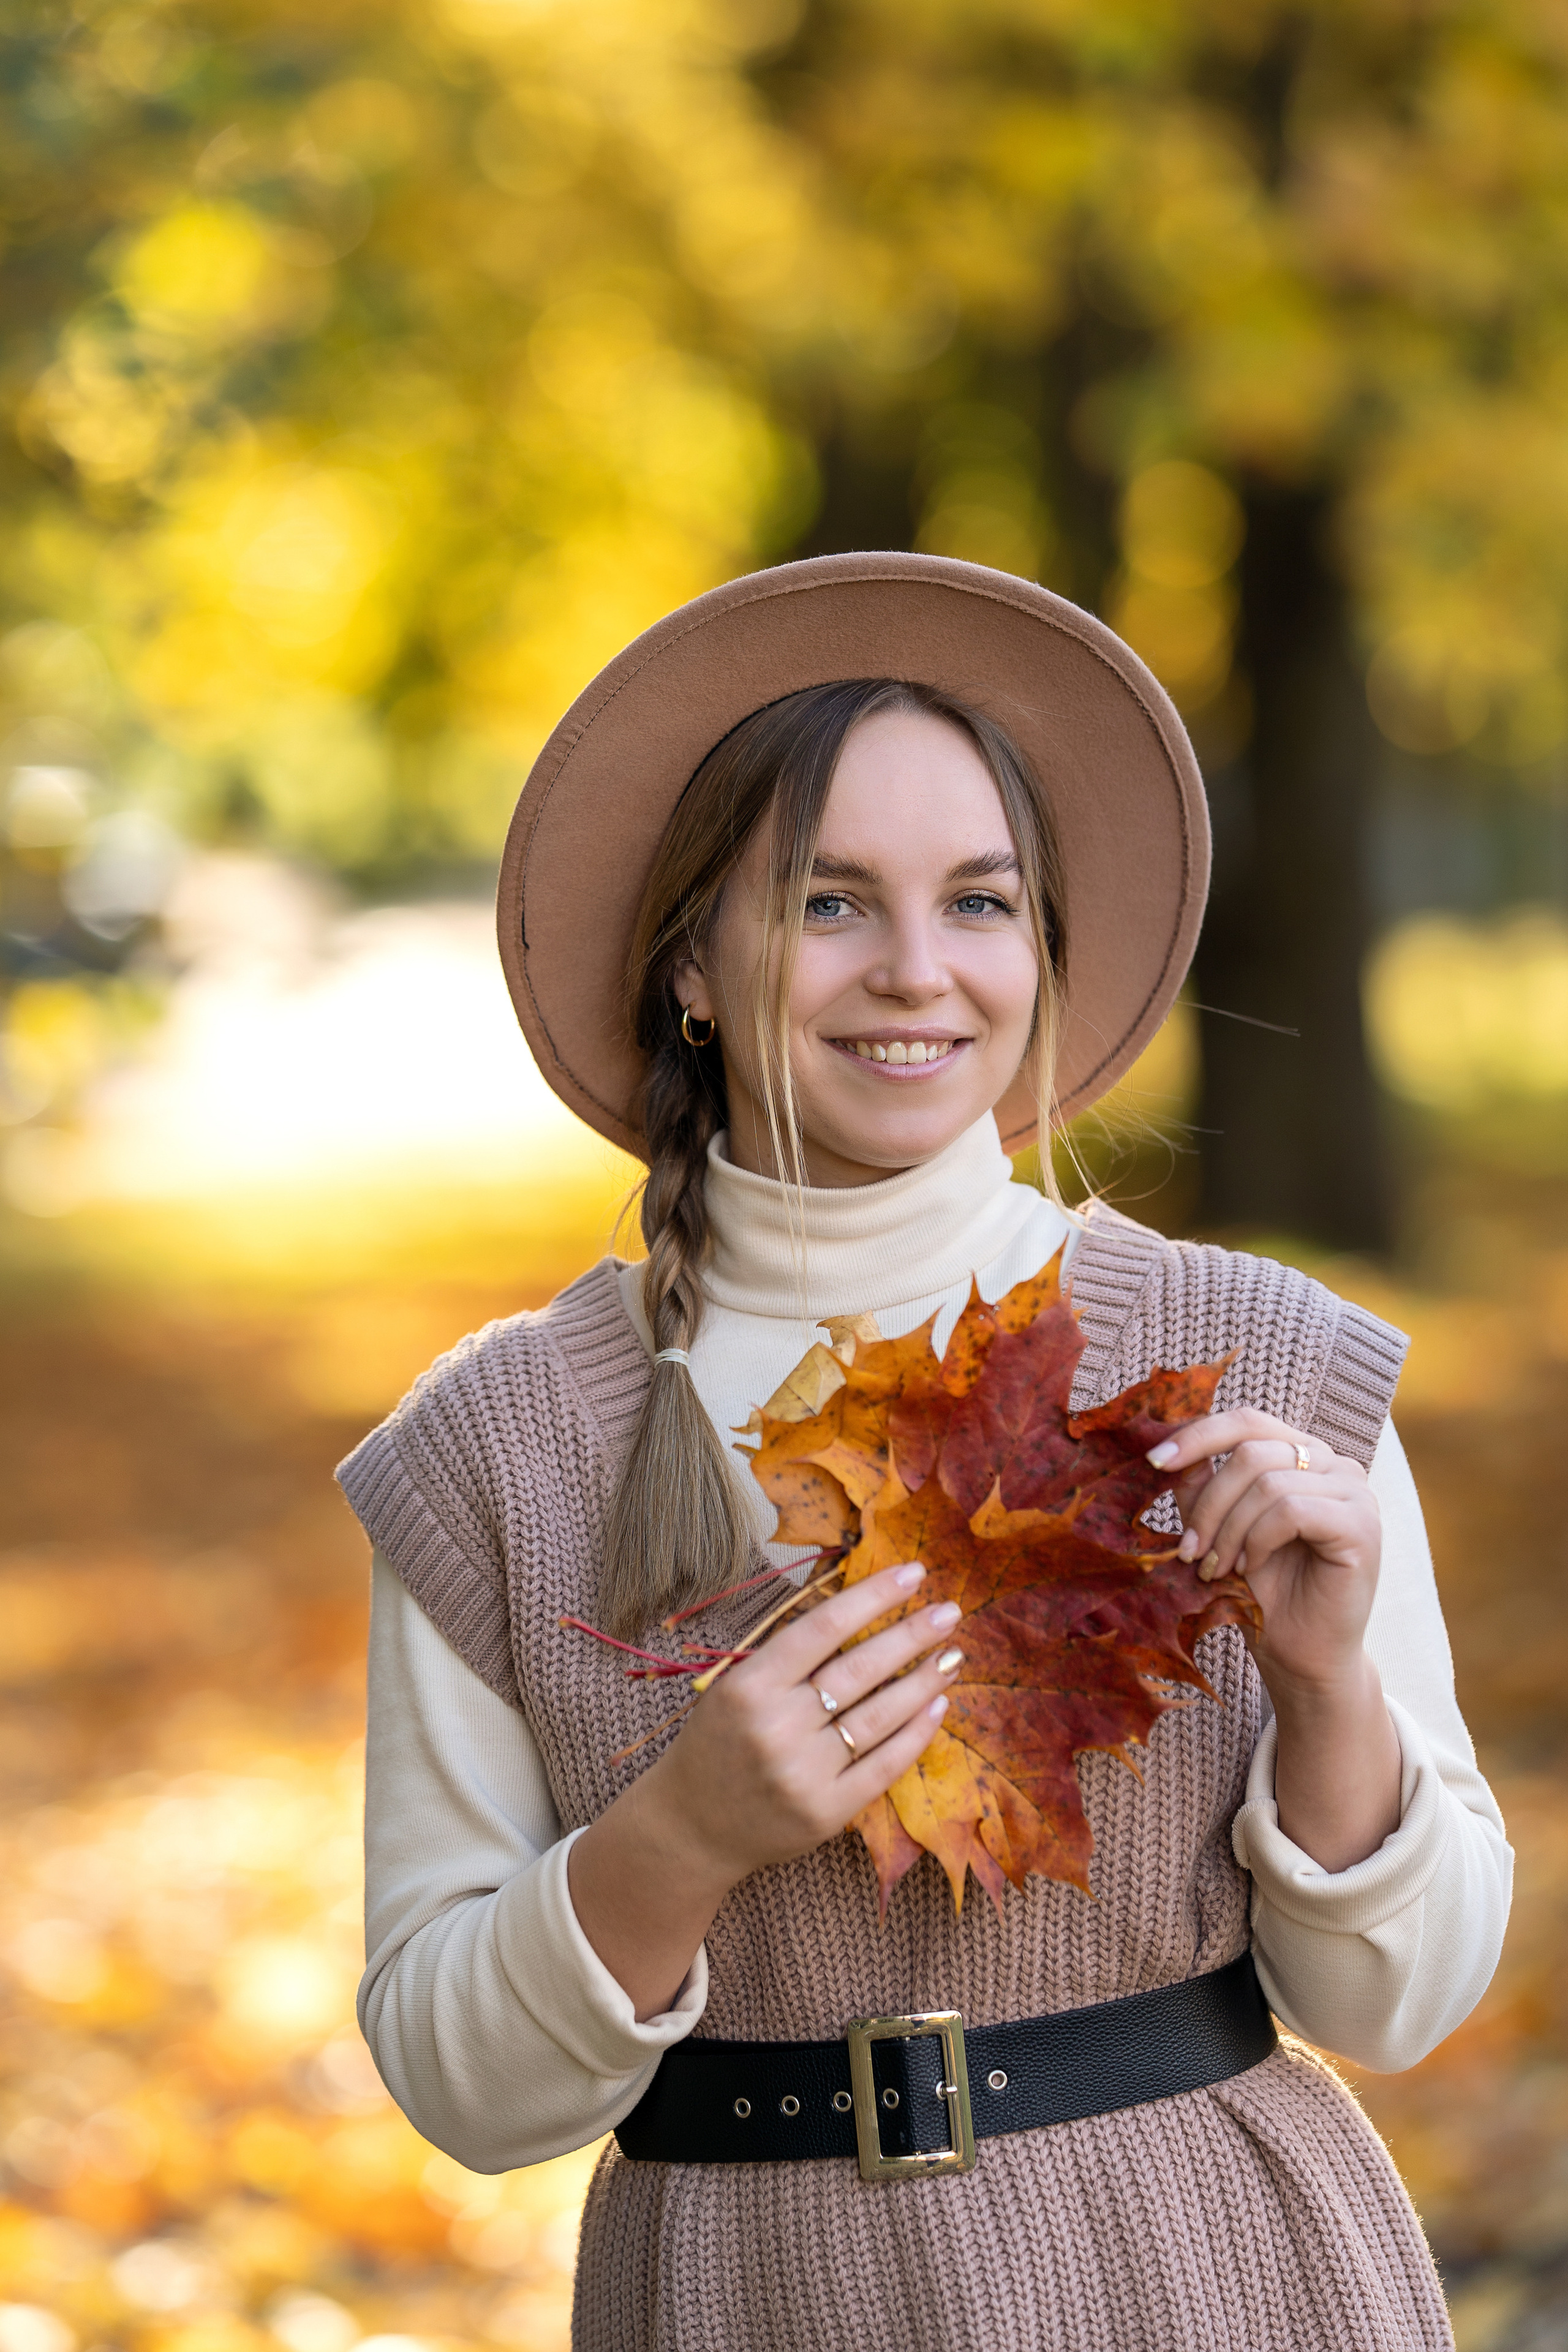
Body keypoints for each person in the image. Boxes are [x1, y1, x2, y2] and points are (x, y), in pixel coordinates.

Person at [339, 555, 1510, 2351]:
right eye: (826, 903)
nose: (916, 972)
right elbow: (465, 2089)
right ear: (690, 973)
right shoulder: (501, 1451)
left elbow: (1403, 1997)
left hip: (1209, 2276)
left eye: (979, 900)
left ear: (1042, 950)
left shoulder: (1248, 1373)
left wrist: (1334, 1685)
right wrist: (679, 1838)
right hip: (744, 2297)